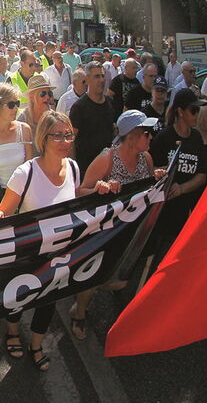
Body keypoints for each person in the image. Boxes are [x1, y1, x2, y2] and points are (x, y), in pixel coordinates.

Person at [0, 111, 80, 371]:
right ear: (43, 138)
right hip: (27, 252)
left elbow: (78, 197)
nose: (64, 141)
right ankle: (13, 332)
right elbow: (4, 211)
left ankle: (36, 345)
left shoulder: (73, 167)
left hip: (59, 252)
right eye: (58, 136)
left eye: (68, 135)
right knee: (19, 295)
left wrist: (101, 189)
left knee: (48, 302)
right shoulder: (25, 172)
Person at [71, 110, 166, 339]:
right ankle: (79, 313)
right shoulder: (107, 158)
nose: (151, 137)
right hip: (104, 231)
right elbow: (80, 191)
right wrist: (99, 188)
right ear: (131, 136)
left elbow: (149, 186)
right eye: (146, 132)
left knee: (119, 282)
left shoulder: (147, 158)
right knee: (93, 278)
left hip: (131, 231)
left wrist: (158, 177)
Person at [149, 89, 207, 260]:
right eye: (193, 110)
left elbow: (201, 176)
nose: (196, 115)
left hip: (185, 212)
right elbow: (150, 169)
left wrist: (181, 188)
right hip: (161, 213)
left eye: (198, 111)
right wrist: (164, 177)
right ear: (180, 112)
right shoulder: (164, 137)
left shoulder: (197, 138)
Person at [69, 61, 116, 176]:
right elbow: (71, 141)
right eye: (96, 76)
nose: (101, 80)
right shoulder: (79, 108)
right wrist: (75, 171)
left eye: (102, 76)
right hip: (85, 168)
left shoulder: (110, 102)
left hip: (107, 167)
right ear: (87, 79)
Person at [17, 75, 57, 156]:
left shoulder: (53, 117)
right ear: (31, 97)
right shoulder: (22, 120)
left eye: (49, 93)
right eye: (42, 94)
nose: (47, 97)